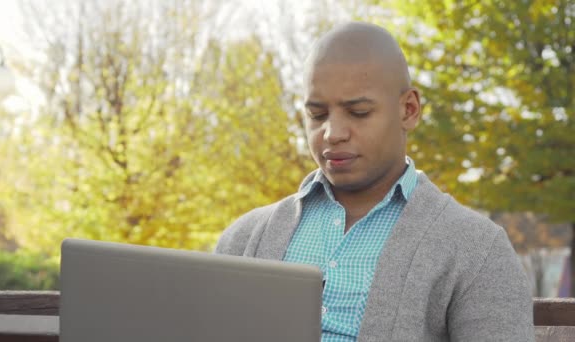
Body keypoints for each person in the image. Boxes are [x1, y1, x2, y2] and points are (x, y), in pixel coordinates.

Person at [215, 21, 534, 341]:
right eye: (317, 114)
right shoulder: (242, 240)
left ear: (409, 110)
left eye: (359, 112)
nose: (332, 133)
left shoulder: (476, 249)